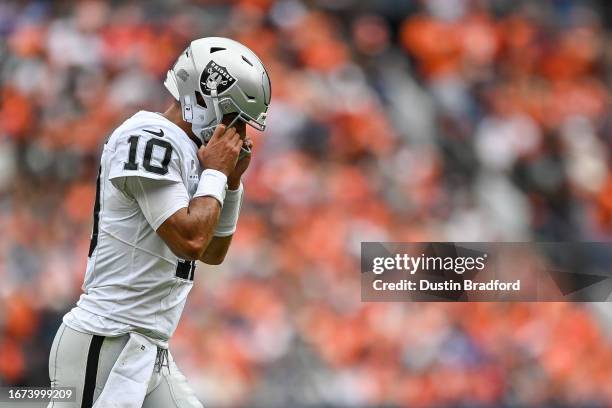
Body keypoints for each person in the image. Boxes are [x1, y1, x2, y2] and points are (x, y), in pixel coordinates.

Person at [46, 37, 271, 408]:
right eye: (235, 119)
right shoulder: (148, 137)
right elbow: (190, 241)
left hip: (149, 349)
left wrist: (231, 184)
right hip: (105, 342)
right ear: (203, 99)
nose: (238, 133)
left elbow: (213, 252)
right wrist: (216, 174)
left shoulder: (193, 153)